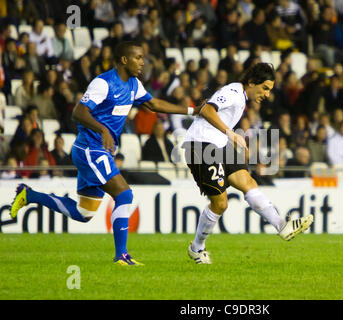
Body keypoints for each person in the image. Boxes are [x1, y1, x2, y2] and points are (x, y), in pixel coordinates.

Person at [10, 41, 202, 266]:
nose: (142, 62)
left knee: (84, 213)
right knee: (124, 195)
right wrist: (102, 130)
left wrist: (193, 111)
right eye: (138, 57)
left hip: (98, 151)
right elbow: (78, 112)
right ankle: (121, 255)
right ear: (124, 60)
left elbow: (155, 104)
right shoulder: (103, 83)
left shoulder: (133, 84)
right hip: (90, 149)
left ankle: (29, 195)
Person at [182, 63, 313, 264]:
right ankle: (197, 248)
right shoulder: (233, 92)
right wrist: (231, 133)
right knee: (220, 203)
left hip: (218, 143)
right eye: (265, 88)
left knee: (248, 182)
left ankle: (282, 226)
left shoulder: (240, 97)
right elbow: (207, 110)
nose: (267, 94)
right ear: (251, 83)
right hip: (201, 145)